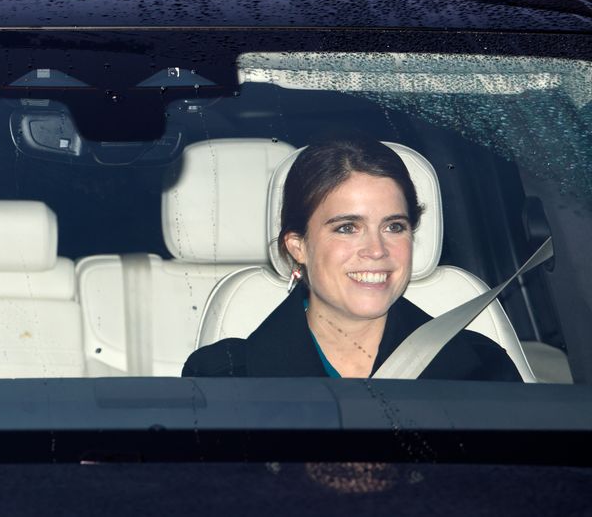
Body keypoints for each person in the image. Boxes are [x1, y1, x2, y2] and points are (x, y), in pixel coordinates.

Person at [182, 138, 521, 381]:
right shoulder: (224, 377)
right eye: (347, 227)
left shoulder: (481, 368)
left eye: (393, 226)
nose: (376, 250)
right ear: (298, 246)